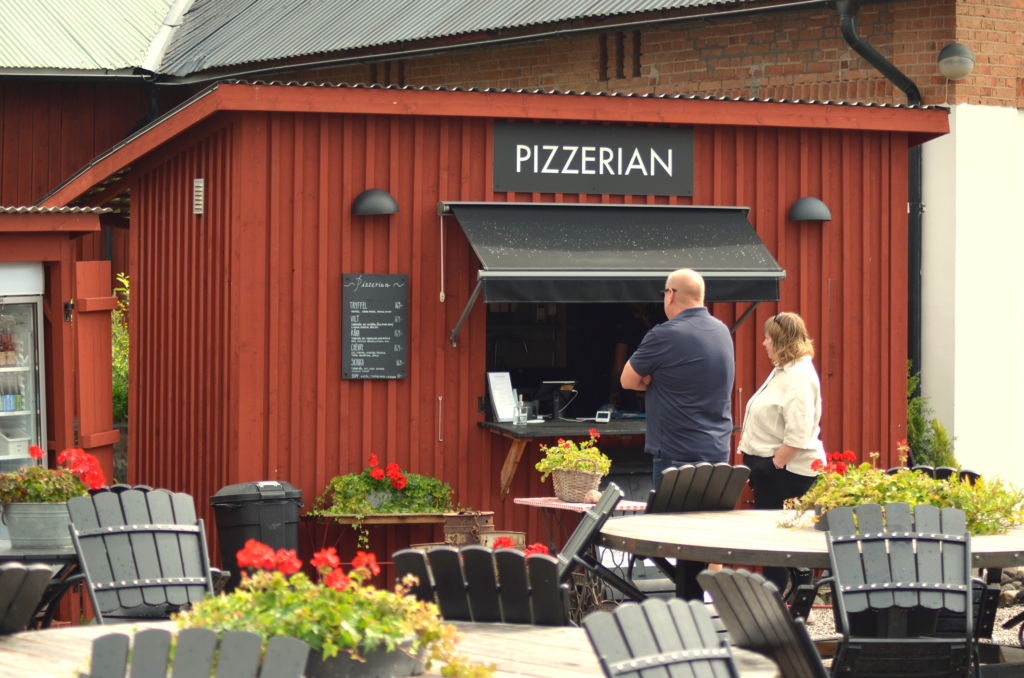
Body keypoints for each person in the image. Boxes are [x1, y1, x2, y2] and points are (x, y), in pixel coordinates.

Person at [737, 311, 827, 595]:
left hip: (785, 471)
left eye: (768, 338)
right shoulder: (784, 370)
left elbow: (798, 434)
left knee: (773, 539)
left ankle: (778, 601)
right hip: (773, 470)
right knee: (776, 536)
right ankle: (790, 599)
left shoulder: (798, 376)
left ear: (782, 341)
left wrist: (771, 467)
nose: (763, 343)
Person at [620, 269, 735, 484]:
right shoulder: (722, 331)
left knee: (670, 518)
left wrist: (654, 380)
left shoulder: (664, 334)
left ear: (670, 294)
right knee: (707, 517)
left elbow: (626, 381)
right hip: (718, 451)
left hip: (677, 454)